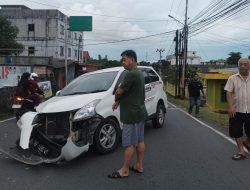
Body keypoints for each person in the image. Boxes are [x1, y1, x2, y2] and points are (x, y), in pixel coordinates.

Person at [108, 50, 147, 179]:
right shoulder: (139, 73)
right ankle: (139, 165)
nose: (123, 63)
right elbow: (128, 93)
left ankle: (125, 170)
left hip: (131, 114)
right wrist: (119, 101)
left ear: (132, 59)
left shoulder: (130, 75)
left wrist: (116, 98)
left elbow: (120, 91)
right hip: (140, 112)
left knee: (129, 144)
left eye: (124, 60)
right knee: (140, 141)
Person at [224, 58, 250, 160]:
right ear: (238, 65)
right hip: (236, 110)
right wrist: (230, 107)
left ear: (249, 66)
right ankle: (241, 151)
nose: (243, 66)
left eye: (245, 64)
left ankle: (246, 142)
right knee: (236, 131)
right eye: (241, 64)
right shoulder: (232, 78)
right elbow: (228, 92)